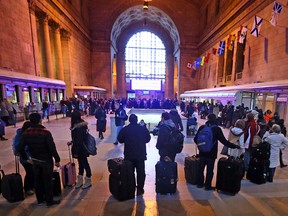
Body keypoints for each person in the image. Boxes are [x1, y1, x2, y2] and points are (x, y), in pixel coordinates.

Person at [17, 113, 61, 207]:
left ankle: (40, 199)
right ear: (40, 120)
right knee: (47, 180)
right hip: (46, 160)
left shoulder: (26, 133)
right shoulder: (45, 132)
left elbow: (19, 148)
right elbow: (52, 148)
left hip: (35, 160)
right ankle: (49, 200)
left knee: (38, 180)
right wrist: (57, 159)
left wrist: (26, 158)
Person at [194, 113, 240, 190]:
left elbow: (195, 139)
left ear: (208, 119)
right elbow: (224, 141)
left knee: (200, 168)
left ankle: (200, 184)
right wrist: (234, 146)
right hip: (211, 153)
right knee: (210, 170)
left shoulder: (202, 127)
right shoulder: (216, 129)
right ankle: (207, 186)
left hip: (202, 153)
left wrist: (201, 146)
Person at [117, 114, 151, 196]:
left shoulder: (125, 129)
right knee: (141, 172)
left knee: (129, 172)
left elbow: (120, 140)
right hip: (140, 154)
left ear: (129, 120)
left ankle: (131, 188)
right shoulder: (142, 129)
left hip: (129, 154)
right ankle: (140, 189)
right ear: (137, 120)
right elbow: (148, 139)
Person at [70, 110, 92, 189]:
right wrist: (72, 141)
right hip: (82, 147)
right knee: (81, 163)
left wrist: (76, 152)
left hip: (81, 148)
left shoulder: (78, 127)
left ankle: (88, 179)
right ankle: (80, 179)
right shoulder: (80, 125)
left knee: (84, 163)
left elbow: (79, 140)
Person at [13, 121, 34, 196]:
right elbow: (19, 149)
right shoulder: (20, 136)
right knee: (30, 171)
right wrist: (27, 159)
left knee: (33, 171)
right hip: (24, 157)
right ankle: (27, 188)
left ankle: (32, 186)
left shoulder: (28, 134)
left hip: (30, 156)